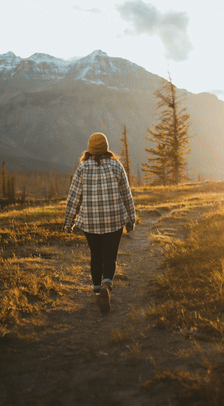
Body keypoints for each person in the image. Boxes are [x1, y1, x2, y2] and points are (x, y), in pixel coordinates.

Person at [64, 132, 136, 314]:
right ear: (106, 147)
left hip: (90, 221)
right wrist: (131, 219)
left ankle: (97, 293)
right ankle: (107, 285)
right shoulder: (116, 166)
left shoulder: (82, 169)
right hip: (114, 219)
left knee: (95, 256)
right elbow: (126, 195)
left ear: (89, 149)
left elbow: (74, 198)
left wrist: (68, 223)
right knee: (109, 257)